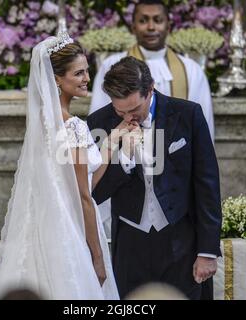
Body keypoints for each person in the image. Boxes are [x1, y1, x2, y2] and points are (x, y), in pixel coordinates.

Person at [0, 31, 120, 300]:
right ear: (57, 79)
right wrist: (96, 257)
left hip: (44, 227)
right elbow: (83, 195)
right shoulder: (73, 126)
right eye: (79, 73)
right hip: (72, 230)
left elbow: (74, 183)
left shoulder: (43, 124)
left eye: (86, 71)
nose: (87, 79)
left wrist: (109, 146)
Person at [86, 56, 222, 300]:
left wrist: (208, 251)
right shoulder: (99, 122)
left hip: (181, 241)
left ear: (150, 90)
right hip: (129, 244)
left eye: (134, 109)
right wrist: (124, 158)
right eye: (120, 110)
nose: (128, 117)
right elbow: (96, 192)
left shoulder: (187, 114)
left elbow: (207, 185)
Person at [90, 0, 214, 141]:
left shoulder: (192, 70)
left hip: (177, 160)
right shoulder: (111, 65)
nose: (151, 27)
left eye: (158, 20)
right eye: (143, 20)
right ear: (133, 27)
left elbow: (204, 127)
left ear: (168, 26)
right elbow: (99, 121)